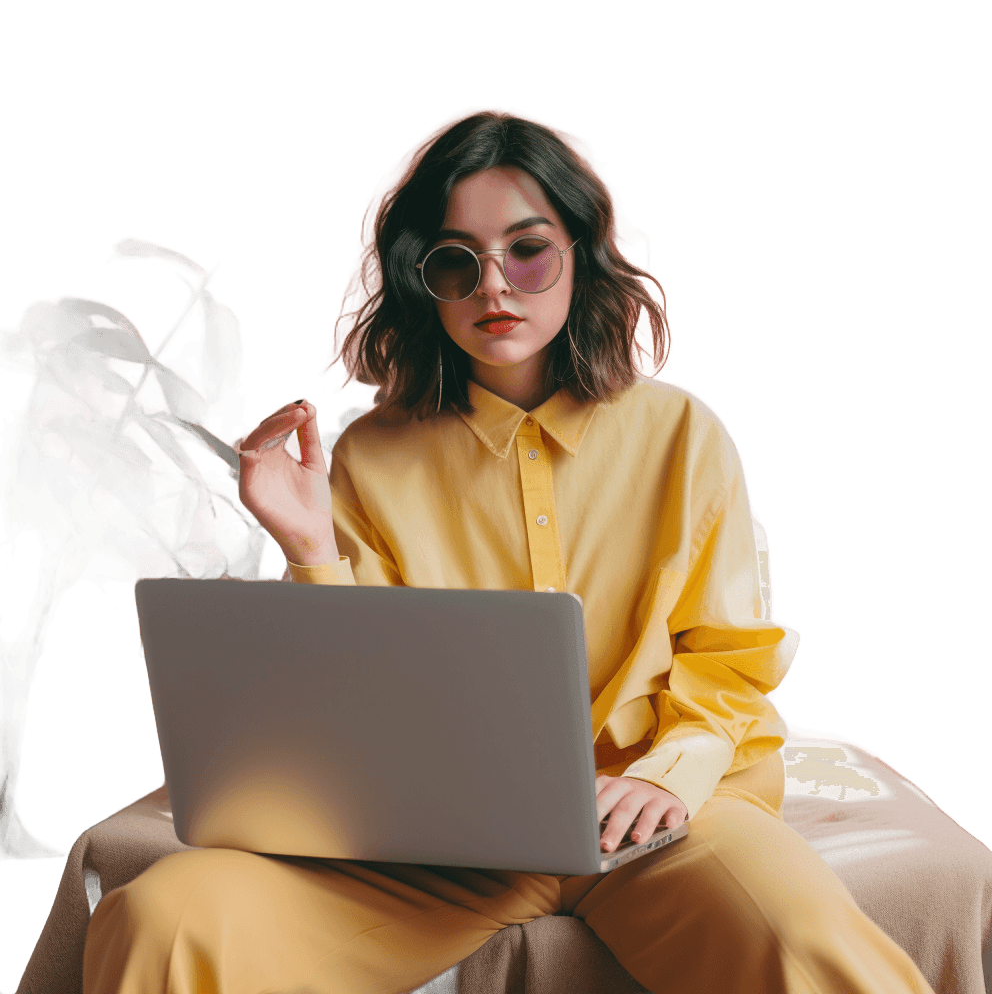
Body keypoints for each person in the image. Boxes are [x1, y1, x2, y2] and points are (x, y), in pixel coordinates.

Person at [83, 107, 937, 994]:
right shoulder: (372, 454)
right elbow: (361, 701)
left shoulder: (683, 433)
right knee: (164, 918)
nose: (495, 286)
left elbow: (728, 659)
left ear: (579, 254)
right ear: (427, 283)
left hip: (658, 826)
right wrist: (308, 540)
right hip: (434, 852)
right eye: (458, 261)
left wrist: (670, 776)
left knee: (806, 943)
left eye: (528, 250)